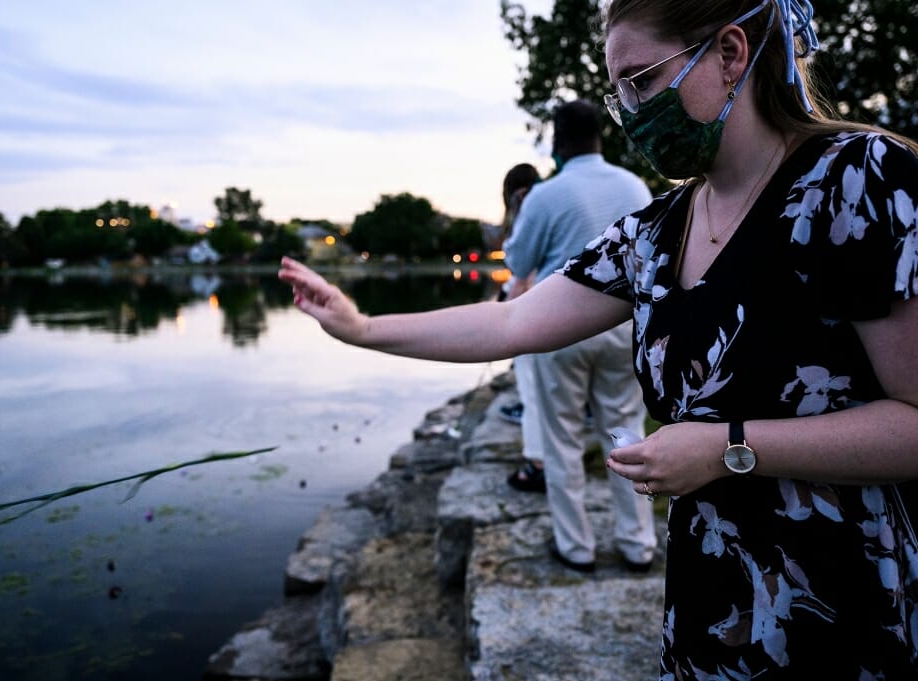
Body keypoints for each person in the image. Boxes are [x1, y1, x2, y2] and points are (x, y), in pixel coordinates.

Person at [279, 0, 918, 676]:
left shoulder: (859, 179)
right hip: (712, 615)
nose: (630, 111)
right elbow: (511, 320)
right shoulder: (654, 233)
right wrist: (363, 327)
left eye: (641, 80)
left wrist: (730, 447)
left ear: (730, 53)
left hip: (844, 612)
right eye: (617, 91)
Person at [495, 100, 657, 577]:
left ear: (557, 141)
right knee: (627, 433)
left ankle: (577, 546)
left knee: (560, 437)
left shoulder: (546, 194)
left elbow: (519, 264)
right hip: (624, 325)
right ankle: (638, 543)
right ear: (600, 135)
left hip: (559, 328)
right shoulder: (633, 185)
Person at [495, 163, 541, 436]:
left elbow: (520, 265)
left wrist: (508, 305)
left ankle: (535, 460)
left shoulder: (533, 212)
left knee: (529, 368)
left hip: (537, 303)